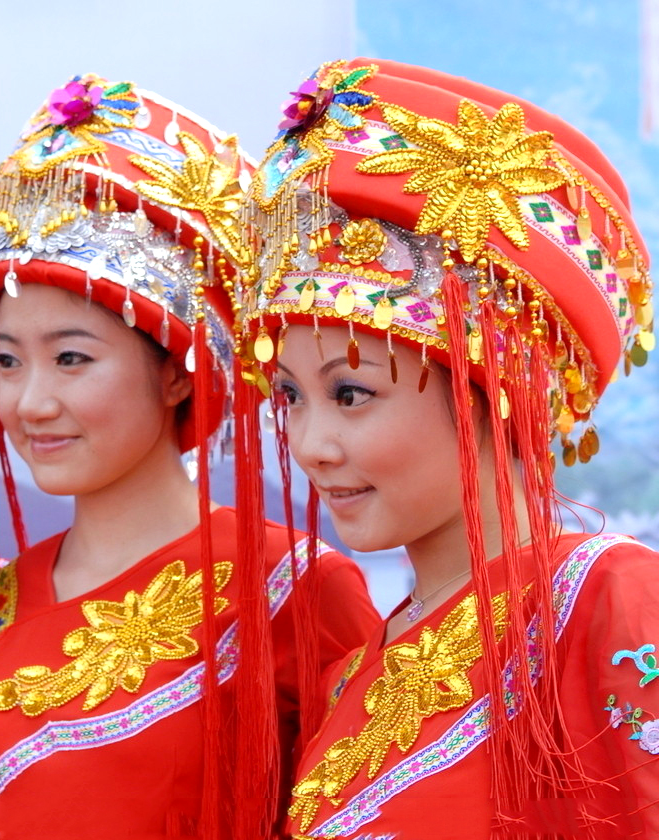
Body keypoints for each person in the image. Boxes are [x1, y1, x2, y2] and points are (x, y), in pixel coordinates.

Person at [0, 74, 379, 840]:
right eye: (9, 361)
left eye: (72, 358)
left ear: (179, 371)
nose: (30, 401)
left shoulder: (291, 588)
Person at [237, 57, 658, 838]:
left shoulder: (608, 601)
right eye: (289, 396)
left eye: (350, 393)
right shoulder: (347, 679)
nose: (310, 445)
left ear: (494, 387)